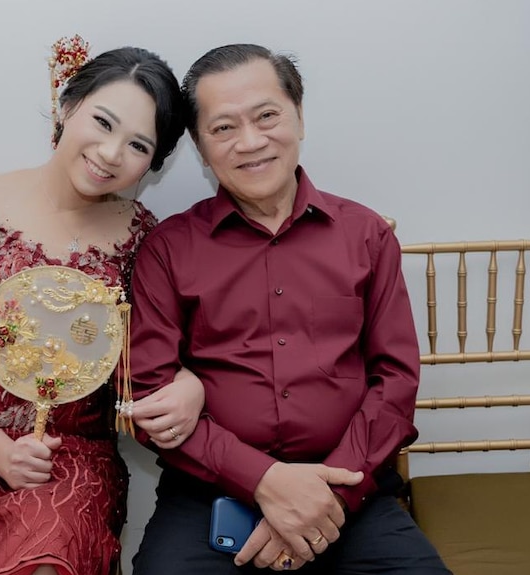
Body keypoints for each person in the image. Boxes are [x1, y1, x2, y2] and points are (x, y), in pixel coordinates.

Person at [128, 44, 451, 574]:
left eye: (267, 116)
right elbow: (150, 397)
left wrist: (325, 495)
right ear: (200, 145)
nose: (251, 142)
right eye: (224, 128)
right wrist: (264, 479)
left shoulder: (366, 235)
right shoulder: (168, 249)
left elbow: (395, 381)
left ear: (299, 116)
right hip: (209, 493)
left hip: (351, 488)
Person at [0, 45, 204, 575]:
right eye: (102, 122)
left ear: (154, 162)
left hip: (71, 453)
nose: (110, 153)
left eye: (137, 145)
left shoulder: (143, 237)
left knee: (49, 552)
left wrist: (190, 384)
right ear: (67, 105)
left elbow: (146, 360)